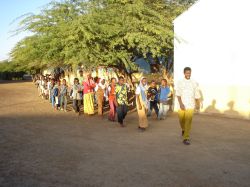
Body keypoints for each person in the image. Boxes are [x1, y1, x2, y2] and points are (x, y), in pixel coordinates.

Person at [176, 67, 201, 145]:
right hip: (181, 105)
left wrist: (198, 104)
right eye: (187, 73)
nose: (188, 74)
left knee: (188, 121)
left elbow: (197, 95)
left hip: (190, 105)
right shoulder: (180, 82)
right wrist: (181, 104)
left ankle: (186, 137)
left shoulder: (194, 83)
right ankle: (183, 129)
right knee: (181, 119)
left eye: (189, 73)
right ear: (184, 73)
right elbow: (178, 94)